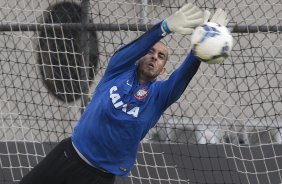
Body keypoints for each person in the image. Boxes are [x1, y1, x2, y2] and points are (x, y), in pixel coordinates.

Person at [20, 4, 228, 184]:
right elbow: (134, 48)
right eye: (150, 52)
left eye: (161, 57)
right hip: (68, 156)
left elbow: (183, 75)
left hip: (98, 177)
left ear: (163, 69)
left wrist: (205, 42)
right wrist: (164, 27)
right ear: (139, 57)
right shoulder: (117, 70)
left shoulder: (159, 96)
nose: (154, 57)